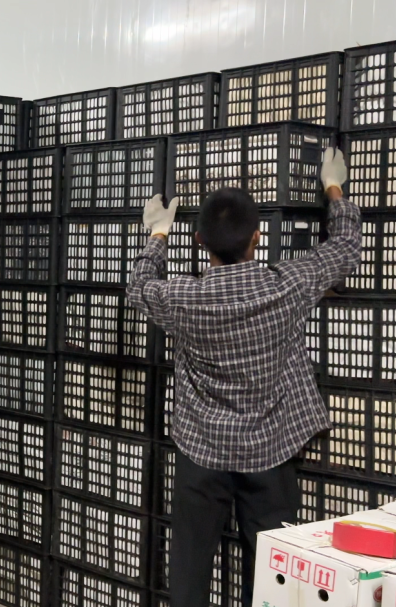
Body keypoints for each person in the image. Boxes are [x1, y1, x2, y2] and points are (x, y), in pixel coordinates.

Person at [126, 149, 360, 607]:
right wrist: (334, 188)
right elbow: (346, 248)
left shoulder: (183, 298)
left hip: (201, 450)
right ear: (257, 235)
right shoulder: (287, 285)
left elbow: (138, 286)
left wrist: (157, 235)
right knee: (273, 576)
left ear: (199, 241)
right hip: (270, 449)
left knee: (189, 571)